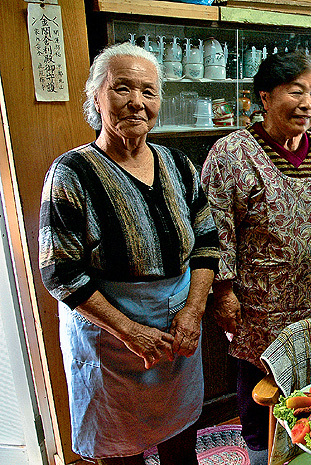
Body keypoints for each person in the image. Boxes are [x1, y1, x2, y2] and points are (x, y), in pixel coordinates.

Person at [38, 42, 220, 465]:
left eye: (149, 91)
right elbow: (60, 273)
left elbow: (207, 243)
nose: (137, 102)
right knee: (120, 454)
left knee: (180, 445)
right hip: (111, 340)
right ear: (96, 97)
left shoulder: (180, 165)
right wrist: (129, 331)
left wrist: (192, 312)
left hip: (177, 334)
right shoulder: (72, 173)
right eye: (122, 88)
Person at [200, 50, 311, 463]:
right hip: (261, 306)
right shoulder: (232, 153)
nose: (309, 103)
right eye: (296, 91)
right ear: (264, 98)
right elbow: (216, 231)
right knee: (259, 380)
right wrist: (223, 292)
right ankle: (257, 452)